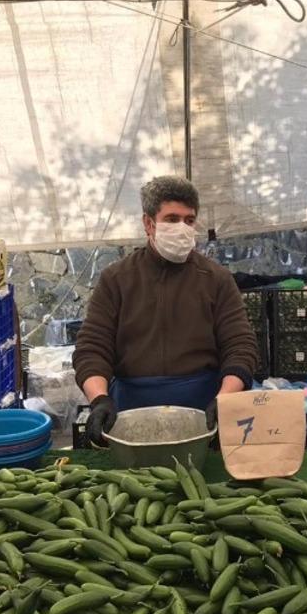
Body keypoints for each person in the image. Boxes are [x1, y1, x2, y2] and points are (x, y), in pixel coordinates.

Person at [72, 176, 259, 444]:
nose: (182, 228)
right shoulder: (117, 279)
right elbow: (92, 348)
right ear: (148, 223)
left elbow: (240, 345)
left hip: (204, 412)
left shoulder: (216, 279)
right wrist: (100, 399)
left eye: (189, 220)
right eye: (172, 219)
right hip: (129, 414)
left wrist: (225, 399)